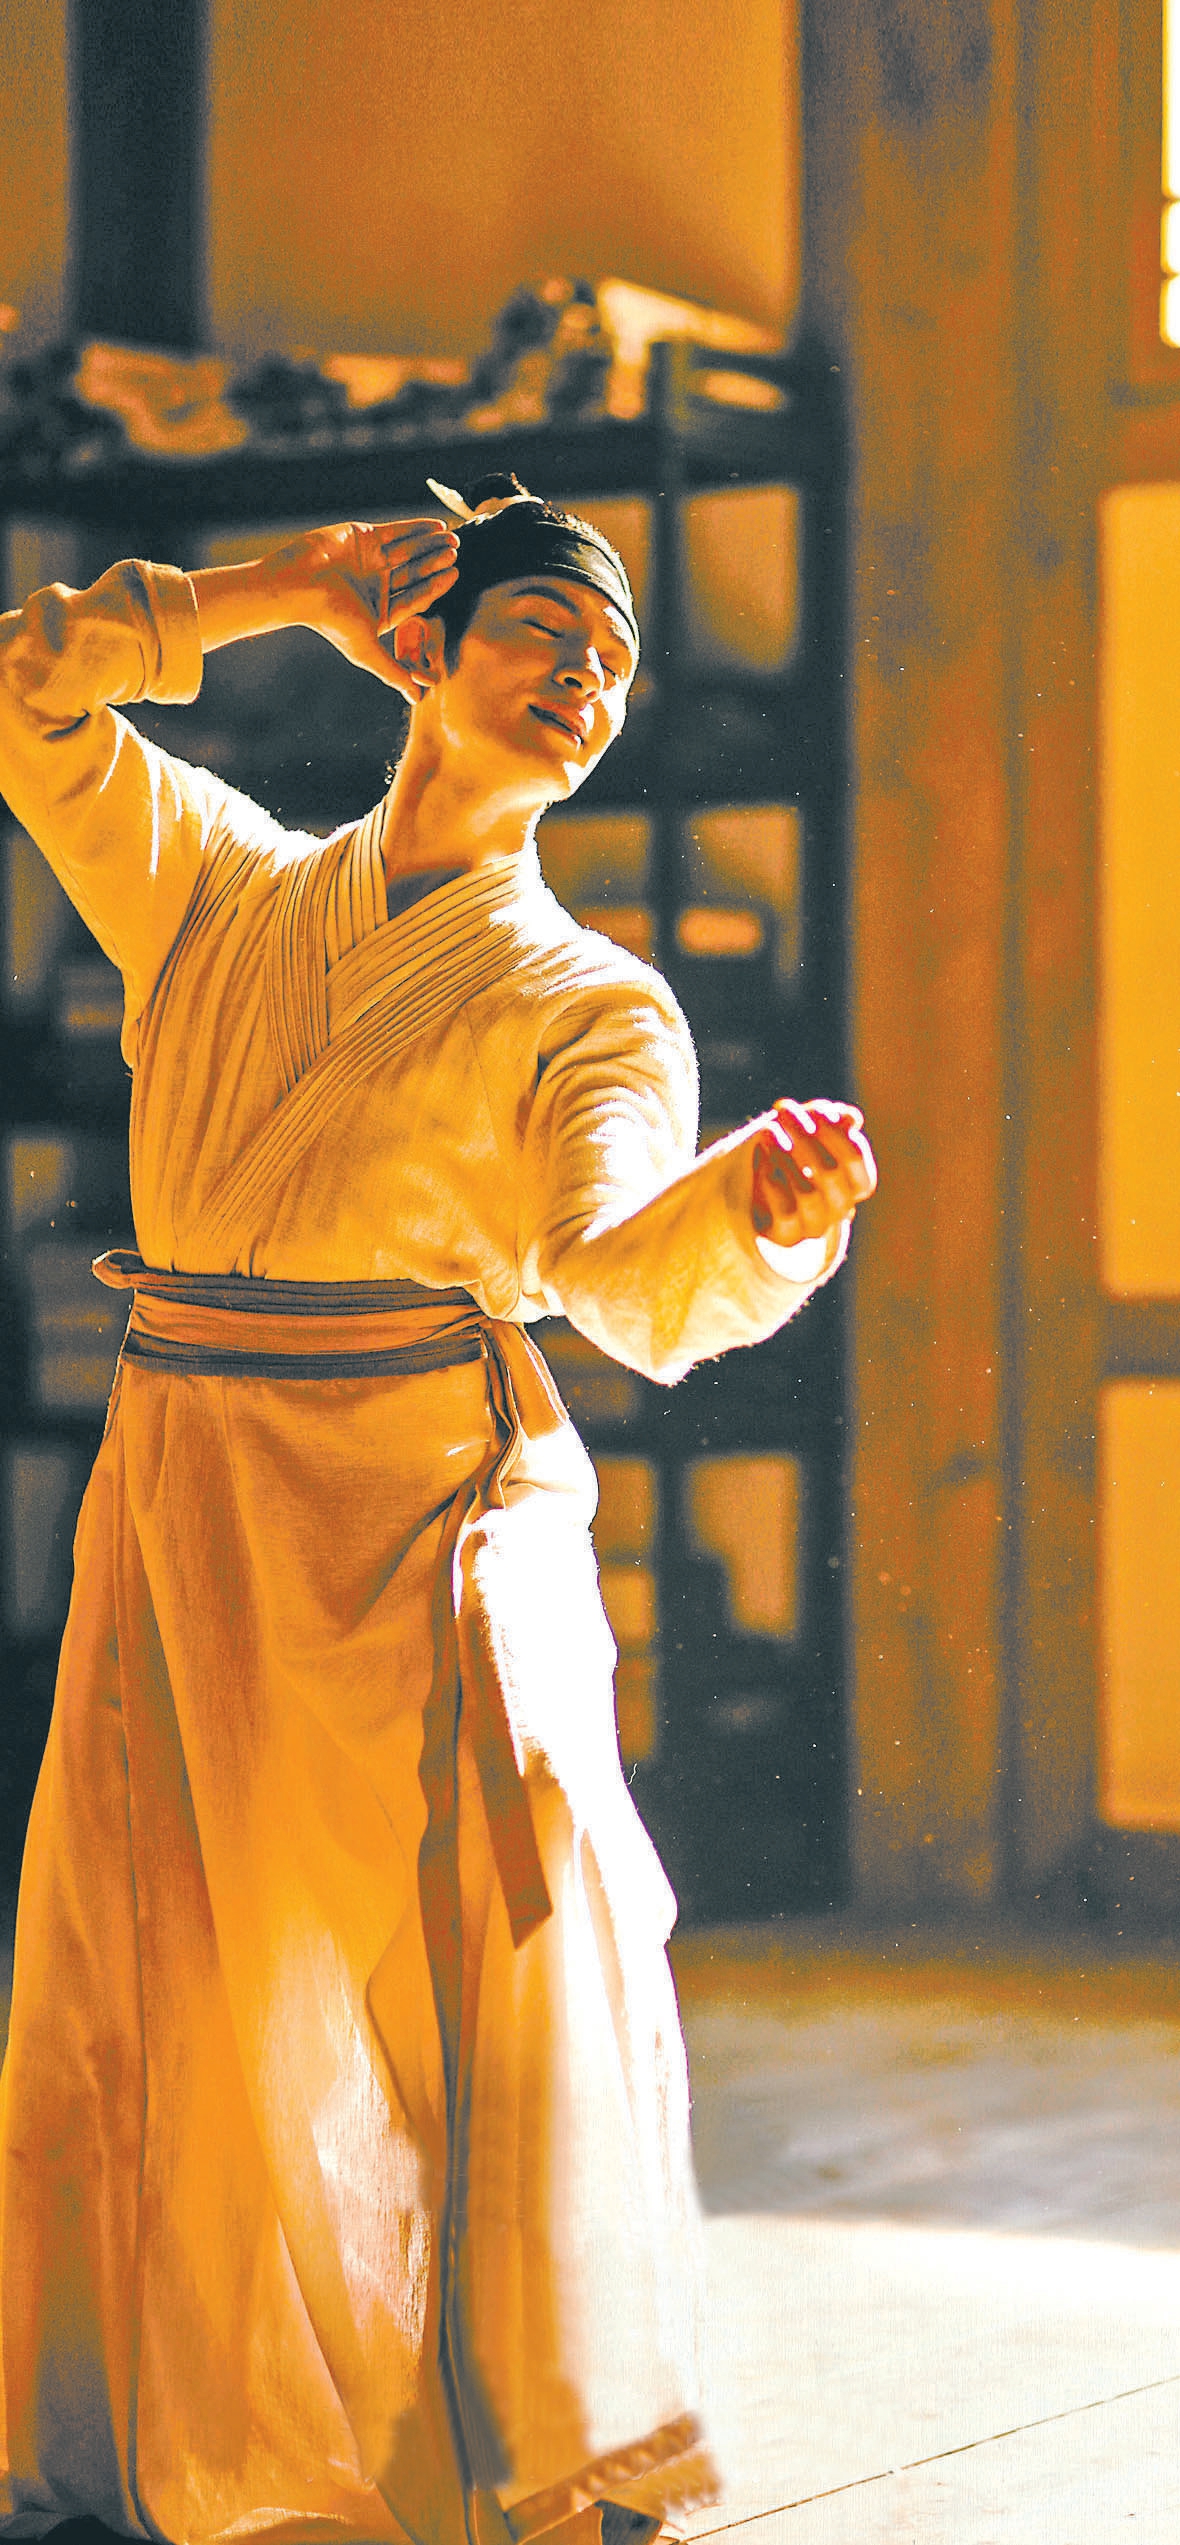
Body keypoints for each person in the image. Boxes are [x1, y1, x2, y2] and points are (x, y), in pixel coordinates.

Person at [0, 478, 876, 2545]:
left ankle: (515, 2436)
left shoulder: (596, 1001)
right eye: (545, 630)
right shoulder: (215, 882)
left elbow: (610, 1267)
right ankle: (149, 2427)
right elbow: (31, 692)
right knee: (171, 1961)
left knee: (481, 1938)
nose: (587, 677)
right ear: (423, 651)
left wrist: (756, 1214)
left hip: (421, 1506)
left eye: (615, 662)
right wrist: (277, 584)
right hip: (192, 1480)